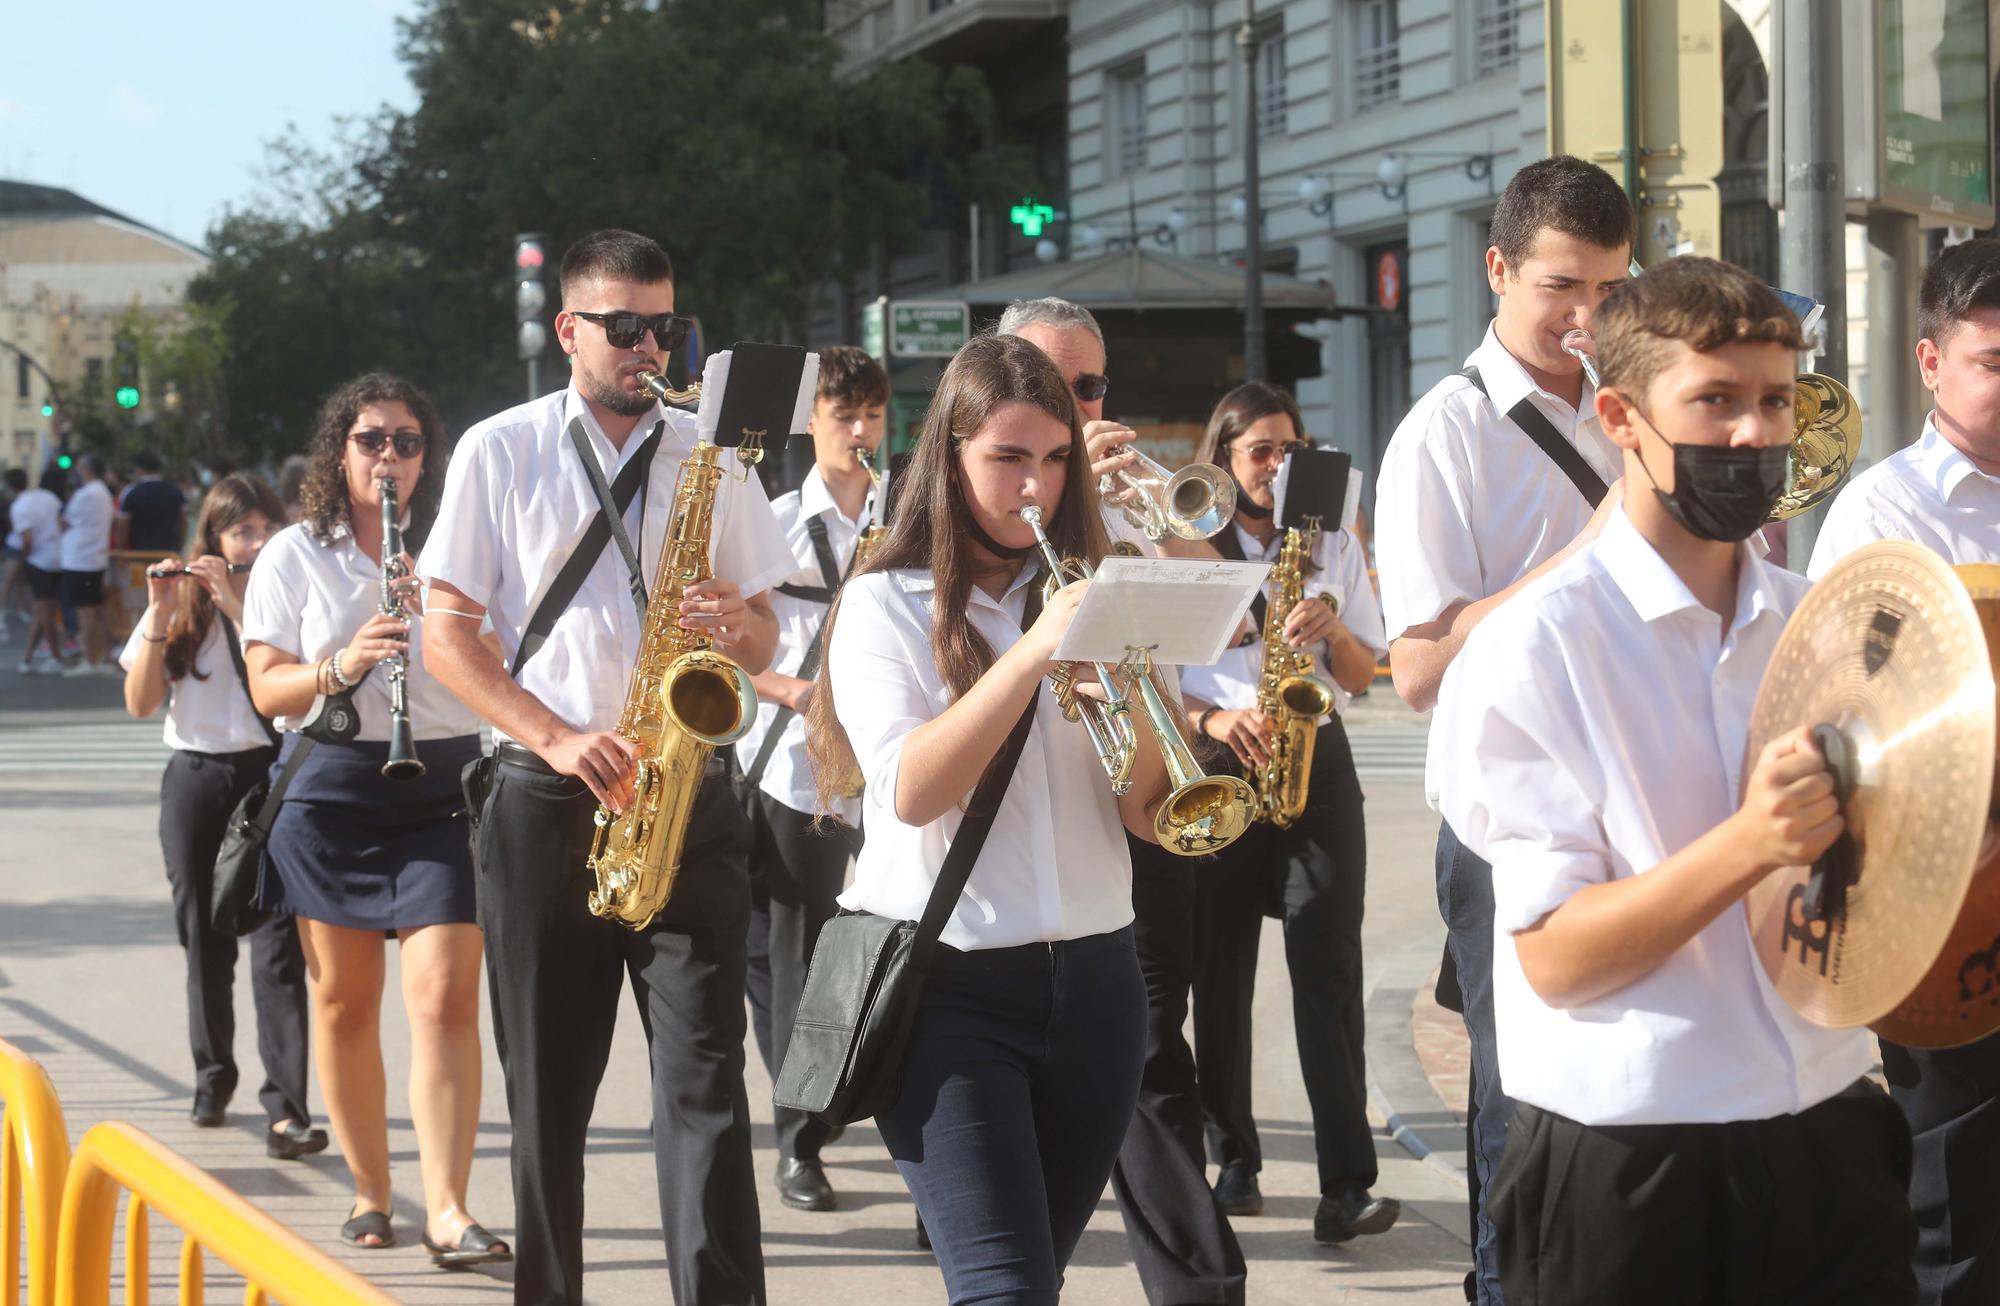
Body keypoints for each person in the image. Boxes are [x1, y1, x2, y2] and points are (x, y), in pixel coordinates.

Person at [1436, 256, 1916, 1303]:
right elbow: (1556, 957)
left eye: (1774, 401)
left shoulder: (1820, 618)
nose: (1752, 433)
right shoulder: (1533, 647)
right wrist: (1750, 842)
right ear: (1618, 415)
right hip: (1634, 1159)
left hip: (1828, 1127)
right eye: (1713, 400)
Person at [421, 228, 792, 1306]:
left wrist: (733, 621)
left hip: (689, 790)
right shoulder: (501, 448)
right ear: (568, 330)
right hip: (546, 793)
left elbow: (767, 637)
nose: (646, 348)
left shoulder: (712, 453)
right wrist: (552, 735)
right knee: (547, 1094)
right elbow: (447, 634)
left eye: (662, 327)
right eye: (622, 328)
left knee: (706, 1085)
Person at [805, 332, 1171, 1304]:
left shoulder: (1110, 579)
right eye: (1006, 458)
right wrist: (1035, 653)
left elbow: (1147, 811)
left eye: (1055, 459)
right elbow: (912, 789)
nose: (1034, 488)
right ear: (949, 455)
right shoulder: (886, 602)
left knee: (1031, 1281)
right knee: (1001, 1288)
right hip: (947, 990)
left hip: (1096, 981)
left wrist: (1124, 702)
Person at [1372, 153, 1634, 1304]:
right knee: (1518, 1099)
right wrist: (1595, 546)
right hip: (1509, 817)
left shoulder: (1636, 413)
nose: (1585, 319)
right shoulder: (1446, 430)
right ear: (1496, 269)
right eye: (1560, 287)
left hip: (1644, 796)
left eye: (1609, 292)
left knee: (1629, 1095)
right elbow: (1418, 666)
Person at [996, 297, 1247, 1301]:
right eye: (1053, 382)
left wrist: (1132, 511)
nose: (1078, 402)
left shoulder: (1137, 498)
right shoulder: (969, 494)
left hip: (1145, 799)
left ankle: (1189, 1274)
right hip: (1020, 821)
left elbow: (1224, 617)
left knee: (1150, 1050)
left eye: (1089, 385)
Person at [241, 374, 507, 1268]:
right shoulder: (294, 554)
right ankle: (370, 1190)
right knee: (345, 1003)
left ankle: (449, 1207)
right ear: (340, 451)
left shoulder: (458, 548)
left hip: (443, 785)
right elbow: (266, 688)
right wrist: (342, 661)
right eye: (370, 440)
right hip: (333, 789)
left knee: (443, 997)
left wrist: (440, 612)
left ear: (429, 457)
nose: (387, 457)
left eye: (406, 441)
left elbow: (508, 659)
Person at [1807, 236, 2000, 1306]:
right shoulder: (1882, 515)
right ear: (1928, 363)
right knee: (1956, 1207)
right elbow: (1846, 717)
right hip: (1947, 902)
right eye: (1994, 362)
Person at [1178, 381, 1397, 1244]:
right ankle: (1235, 1156)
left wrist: (1330, 621)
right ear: (1224, 460)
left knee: (1329, 962)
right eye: (1260, 450)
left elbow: (1357, 671)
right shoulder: (1187, 536)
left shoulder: (1330, 533)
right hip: (1225, 751)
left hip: (1315, 748)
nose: (1277, 464)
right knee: (1219, 971)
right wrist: (1214, 720)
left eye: (1288, 447)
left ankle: (1347, 1185)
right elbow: (1161, 669)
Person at [120, 472, 323, 1158]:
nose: (258, 542)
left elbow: (289, 688)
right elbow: (139, 703)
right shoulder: (180, 608)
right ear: (212, 538)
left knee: (279, 945)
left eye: (268, 529)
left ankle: (286, 1107)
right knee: (203, 933)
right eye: (242, 531)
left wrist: (241, 606)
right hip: (197, 778)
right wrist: (158, 610)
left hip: (269, 776)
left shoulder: (285, 597)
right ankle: (213, 1076)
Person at [733, 344, 885, 1213]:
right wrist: (795, 692)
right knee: (789, 953)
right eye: (843, 417)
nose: (861, 432)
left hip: (884, 755)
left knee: (840, 948)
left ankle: (819, 1100)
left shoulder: (903, 510)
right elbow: (729, 640)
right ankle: (800, 1139)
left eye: (871, 416)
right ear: (813, 425)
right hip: (792, 762)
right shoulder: (777, 520)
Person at [58, 454, 116, 677]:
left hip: (80, 559)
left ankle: (89, 659)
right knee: (98, 611)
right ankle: (104, 656)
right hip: (94, 557)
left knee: (85, 613)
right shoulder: (103, 493)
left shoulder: (85, 495)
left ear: (86, 470)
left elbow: (65, 520)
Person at [10, 466, 64, 672]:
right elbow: (61, 520)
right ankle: (28, 656)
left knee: (45, 612)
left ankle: (55, 656)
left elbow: (27, 540)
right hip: (58, 558)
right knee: (42, 611)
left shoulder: (19, 506)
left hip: (39, 562)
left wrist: (23, 561)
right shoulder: (48, 496)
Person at [118, 450, 188, 553]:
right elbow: (183, 522)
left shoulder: (133, 493)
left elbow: (123, 527)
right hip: (168, 554)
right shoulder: (175, 492)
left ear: (139, 468)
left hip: (139, 555)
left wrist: (124, 552)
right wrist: (179, 547)